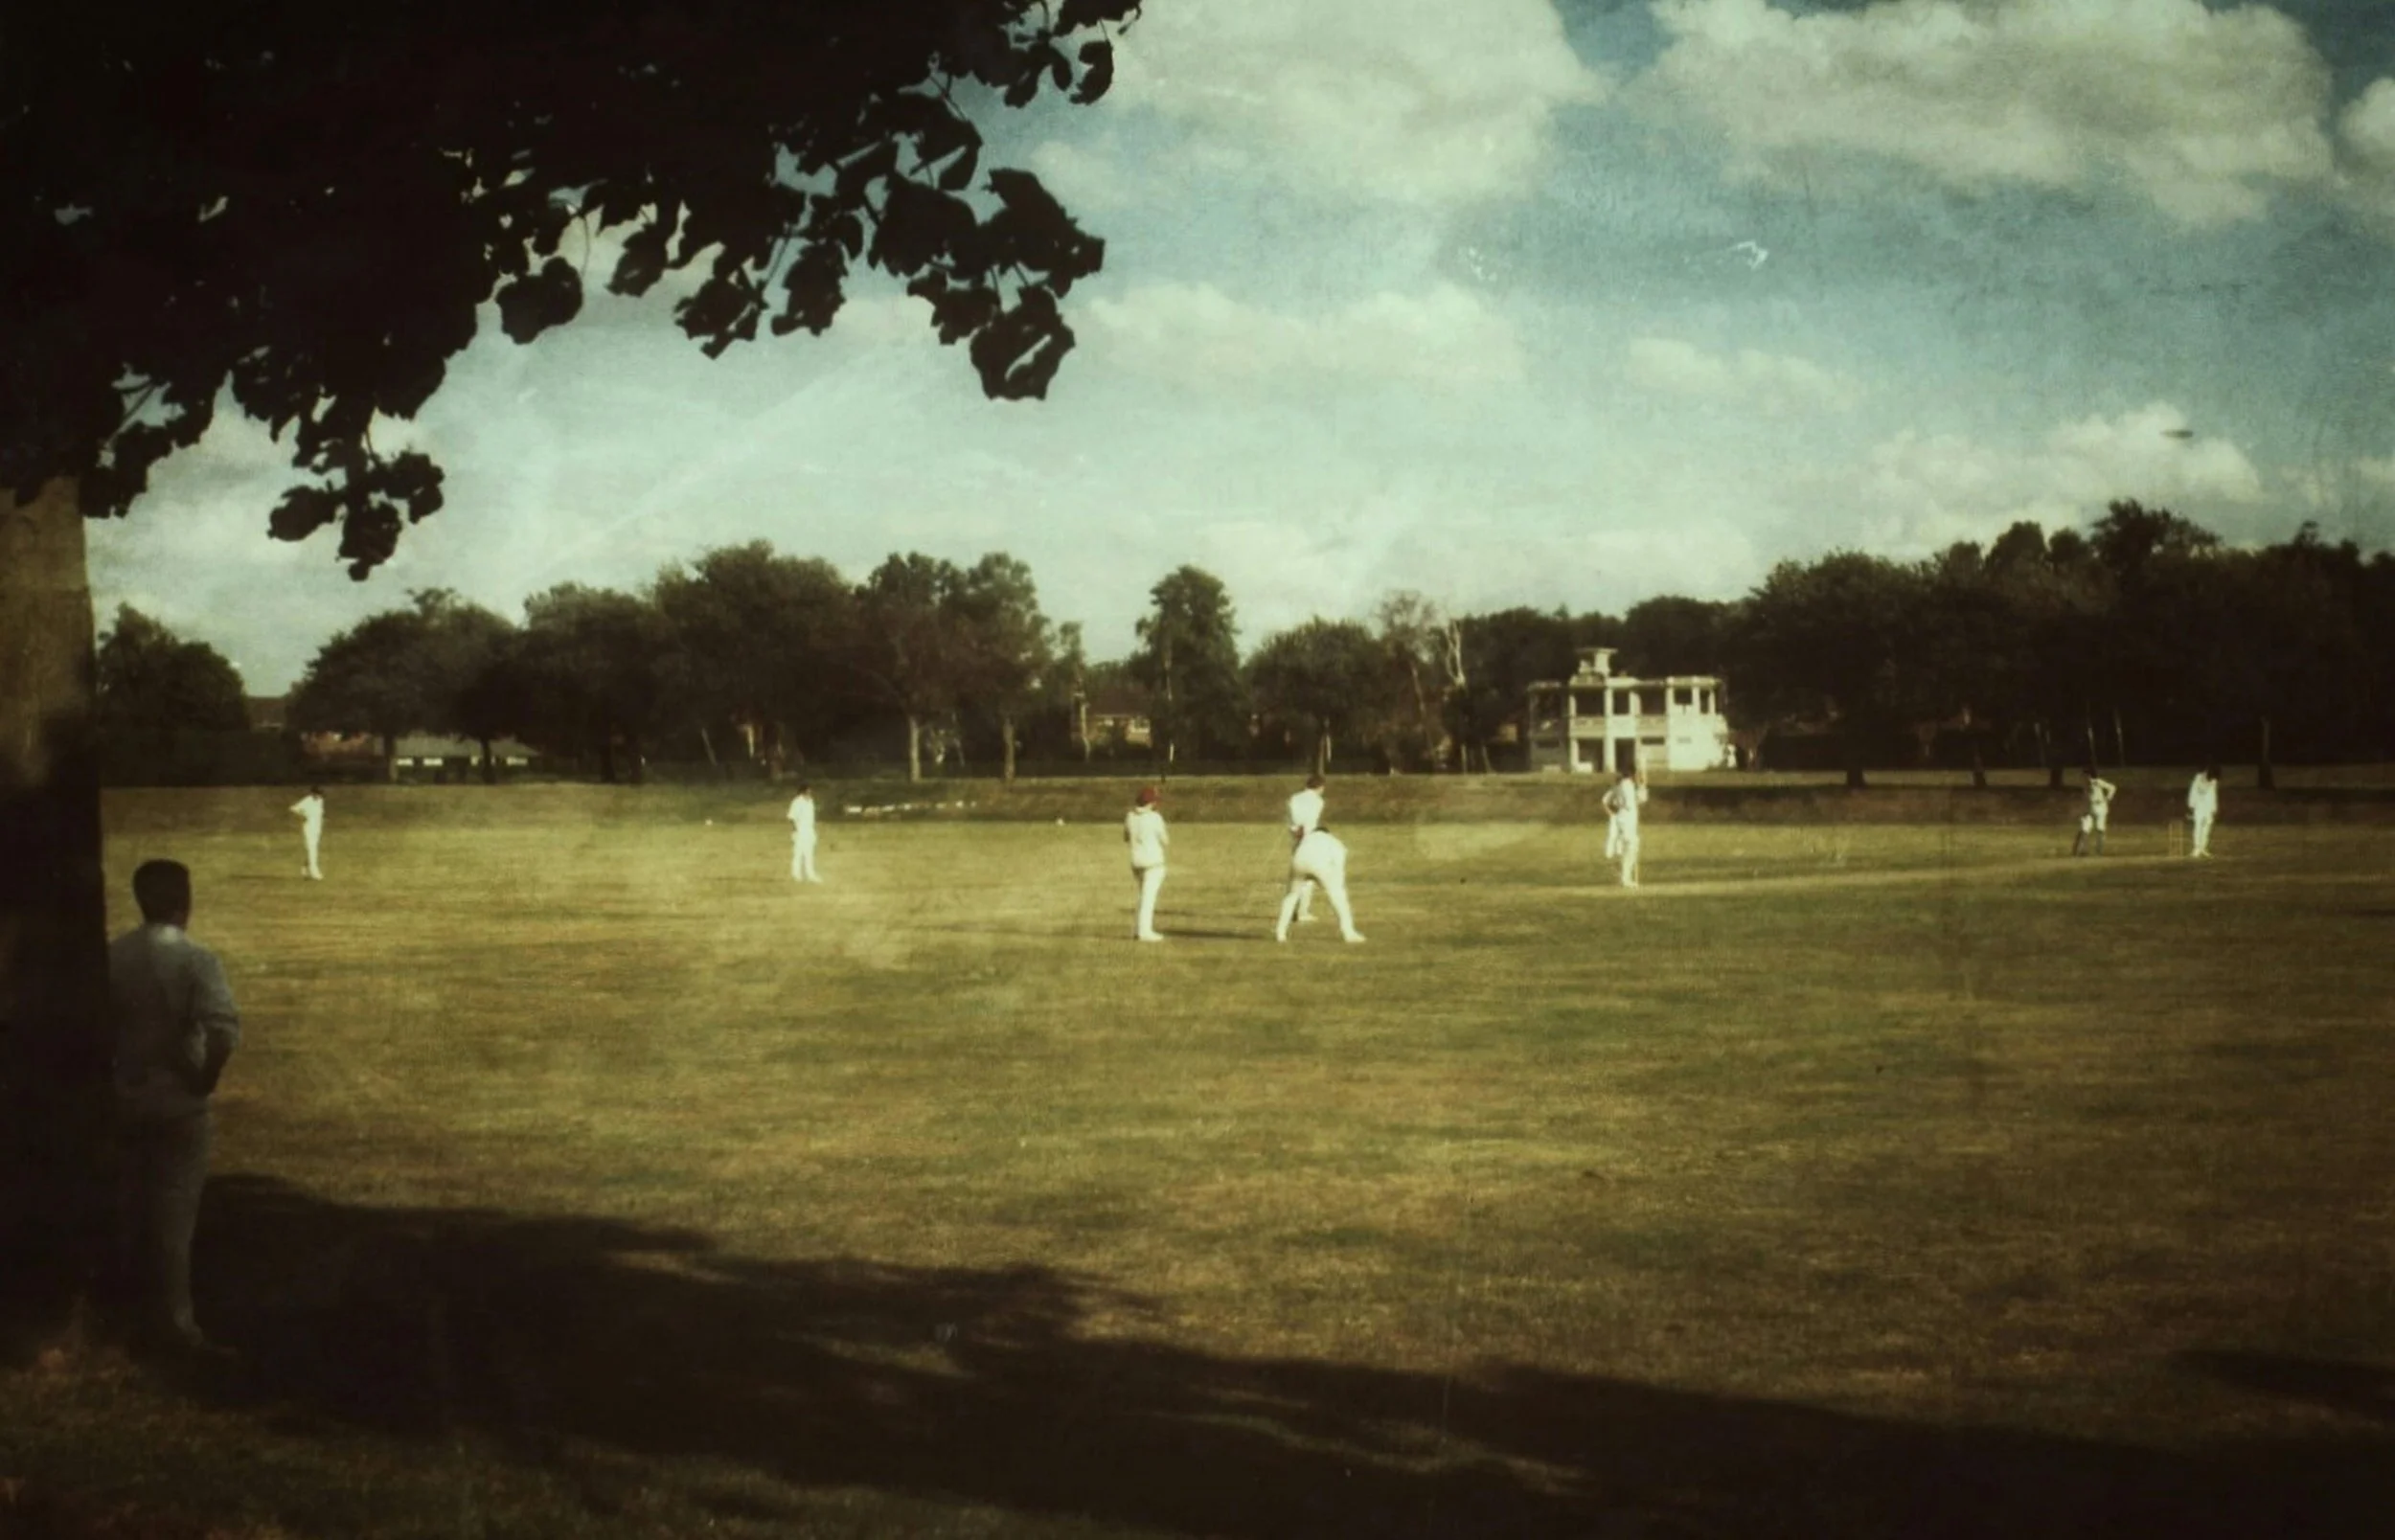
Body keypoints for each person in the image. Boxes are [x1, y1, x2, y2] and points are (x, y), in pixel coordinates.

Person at [107, 859, 240, 1356]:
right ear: (185, 901)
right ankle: (175, 1326)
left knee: (128, 1209)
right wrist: (204, 1078)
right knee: (174, 1218)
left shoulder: (114, 956)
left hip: (124, 1096)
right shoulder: (196, 959)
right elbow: (223, 1031)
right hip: (179, 1102)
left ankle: (119, 1318)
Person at [1275, 826, 1365, 943]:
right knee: (1339, 898)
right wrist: (1337, 883)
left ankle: (1280, 933)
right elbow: (1339, 862)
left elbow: (1297, 852)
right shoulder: (1334, 842)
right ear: (1328, 833)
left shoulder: (1307, 839)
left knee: (1291, 896)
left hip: (1298, 862)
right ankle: (1349, 933)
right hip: (1320, 865)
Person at [1124, 785, 1170, 941]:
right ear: (1150, 803)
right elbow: (1165, 840)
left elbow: (1126, 837)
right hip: (1153, 862)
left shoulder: (1130, 816)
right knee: (1148, 898)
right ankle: (1144, 931)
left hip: (1136, 862)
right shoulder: (1155, 818)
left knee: (1143, 896)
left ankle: (1140, 929)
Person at [1285, 774, 1326, 923]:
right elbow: (1310, 820)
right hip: (1309, 839)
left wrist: (1295, 829)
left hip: (1297, 838)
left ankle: (1290, 910)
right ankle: (1302, 912)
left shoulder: (1294, 798)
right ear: (1320, 787)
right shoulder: (1318, 801)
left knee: (1296, 875)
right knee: (1308, 877)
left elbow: (1292, 819)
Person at [1602, 769, 1648, 888]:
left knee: (1631, 846)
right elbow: (1640, 799)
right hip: (1627, 819)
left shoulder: (1621, 785)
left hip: (1625, 818)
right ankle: (1625, 878)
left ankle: (1625, 877)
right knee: (1631, 845)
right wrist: (1641, 785)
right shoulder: (1627, 785)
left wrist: (1641, 785)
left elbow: (1606, 800)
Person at [2072, 767, 2118, 856]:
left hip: (2100, 807)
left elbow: (2112, 787)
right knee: (2084, 827)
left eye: (2084, 775)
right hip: (2090, 808)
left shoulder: (2097, 782)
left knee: (2100, 828)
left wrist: (2107, 798)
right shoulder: (2085, 785)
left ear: (2089, 775)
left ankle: (2099, 850)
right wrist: (2083, 810)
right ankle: (2080, 850)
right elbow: (2086, 798)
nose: (2083, 777)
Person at [787, 782, 822, 883]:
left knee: (809, 853)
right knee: (798, 853)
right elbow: (792, 817)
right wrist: (795, 830)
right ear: (803, 792)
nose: (809, 793)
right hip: (800, 830)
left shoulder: (810, 801)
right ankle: (796, 874)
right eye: (808, 791)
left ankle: (810, 874)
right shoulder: (797, 802)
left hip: (809, 830)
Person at [288, 785, 325, 880]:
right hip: (309, 827)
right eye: (317, 794)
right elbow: (293, 809)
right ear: (313, 793)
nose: (319, 796)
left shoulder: (320, 801)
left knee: (313, 849)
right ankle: (314, 872)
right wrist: (302, 816)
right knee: (312, 849)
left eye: (320, 794)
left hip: (317, 827)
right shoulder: (307, 801)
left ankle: (305, 868)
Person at [2186, 765, 2220, 859]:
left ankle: (2203, 848)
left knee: (2207, 828)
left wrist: (2213, 809)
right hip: (2199, 807)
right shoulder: (2197, 779)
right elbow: (2193, 792)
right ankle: (2197, 848)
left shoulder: (2213, 782)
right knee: (2198, 827)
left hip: (2208, 807)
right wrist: (2192, 805)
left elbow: (2213, 795)